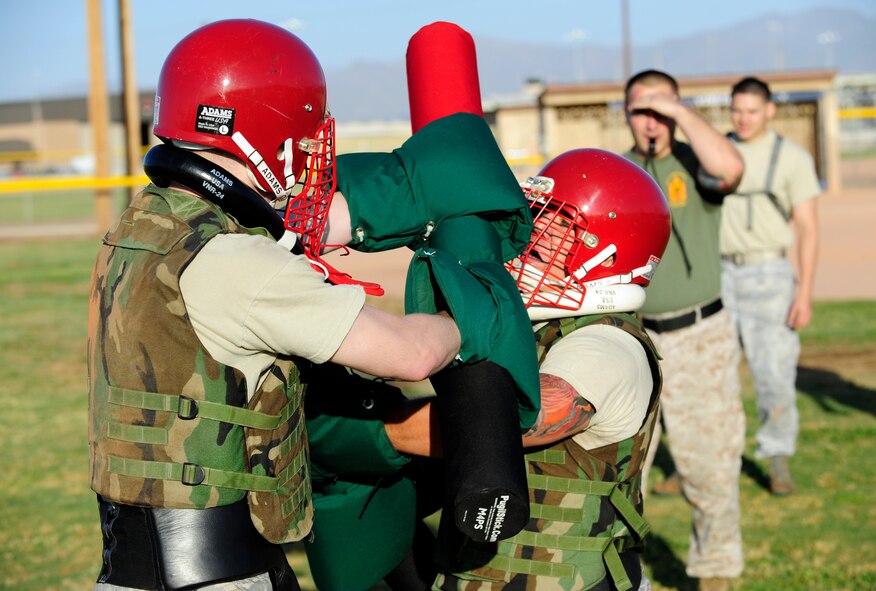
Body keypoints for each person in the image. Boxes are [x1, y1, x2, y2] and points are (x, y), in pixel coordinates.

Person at [87, 19, 532, 591]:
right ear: (262, 136)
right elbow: (408, 354)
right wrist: (469, 316)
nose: (306, 155)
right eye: (298, 139)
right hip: (220, 574)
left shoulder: (135, 230)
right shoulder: (236, 262)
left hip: (128, 569)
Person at [367, 148, 671, 591]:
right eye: (540, 218)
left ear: (610, 254)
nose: (535, 236)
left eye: (562, 226)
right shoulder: (542, 327)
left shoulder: (607, 343)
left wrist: (368, 429)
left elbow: (503, 425)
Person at [621, 69, 746, 591]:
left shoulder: (697, 163)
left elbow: (731, 168)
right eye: (639, 109)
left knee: (711, 468)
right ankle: (625, 576)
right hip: (635, 341)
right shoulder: (621, 171)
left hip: (700, 337)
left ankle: (716, 575)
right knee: (624, 471)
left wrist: (678, 112)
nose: (650, 119)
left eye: (660, 108)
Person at [721, 76, 821, 495]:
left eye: (751, 111)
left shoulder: (792, 158)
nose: (743, 119)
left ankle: (777, 457)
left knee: (774, 373)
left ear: (769, 111)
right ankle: (708, 457)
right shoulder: (714, 151)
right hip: (719, 274)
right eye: (737, 110)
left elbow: (810, 229)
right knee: (714, 376)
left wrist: (804, 293)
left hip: (770, 275)